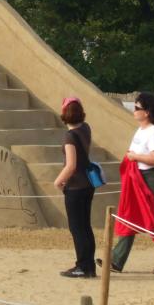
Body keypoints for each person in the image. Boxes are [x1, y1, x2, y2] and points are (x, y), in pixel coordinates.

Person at [100, 92, 154, 275]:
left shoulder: (153, 132)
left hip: (150, 179)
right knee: (129, 217)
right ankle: (116, 261)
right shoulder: (141, 130)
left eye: (137, 108)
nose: (134, 111)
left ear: (147, 112)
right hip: (138, 178)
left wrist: (135, 157)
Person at [54, 97, 96, 278]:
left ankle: (82, 266)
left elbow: (71, 165)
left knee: (77, 228)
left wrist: (58, 182)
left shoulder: (70, 136)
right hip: (88, 184)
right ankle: (89, 265)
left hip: (75, 187)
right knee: (85, 226)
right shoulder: (86, 129)